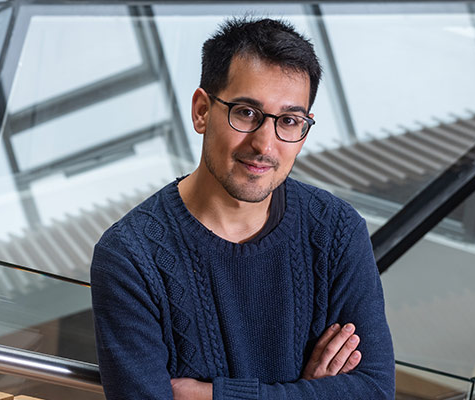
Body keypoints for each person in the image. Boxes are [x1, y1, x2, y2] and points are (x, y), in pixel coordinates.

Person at [90, 17, 394, 400]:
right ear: (202, 111)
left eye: (289, 120)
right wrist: (310, 393)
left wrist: (215, 395)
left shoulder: (336, 230)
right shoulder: (131, 257)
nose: (265, 145)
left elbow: (374, 390)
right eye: (246, 113)